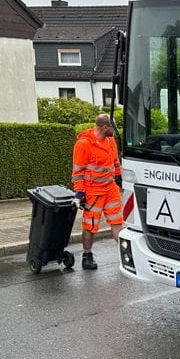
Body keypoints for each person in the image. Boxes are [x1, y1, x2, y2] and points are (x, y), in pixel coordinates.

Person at [71, 113, 124, 270]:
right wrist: (79, 194)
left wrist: (120, 178)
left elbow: (115, 162)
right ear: (105, 127)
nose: (115, 130)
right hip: (93, 193)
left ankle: (127, 254)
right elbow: (78, 172)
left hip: (110, 189)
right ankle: (87, 255)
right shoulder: (83, 144)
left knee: (117, 223)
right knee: (90, 226)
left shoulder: (110, 140)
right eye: (113, 127)